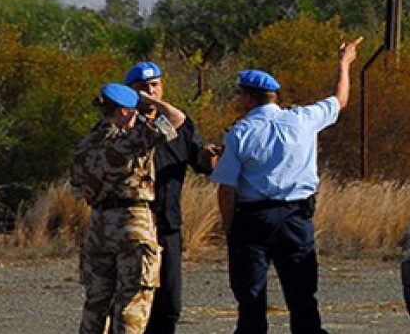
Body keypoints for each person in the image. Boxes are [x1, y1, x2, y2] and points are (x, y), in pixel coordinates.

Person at [211, 37, 363, 334]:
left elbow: (227, 188)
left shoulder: (240, 133)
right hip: (296, 217)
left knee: (251, 296)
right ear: (273, 96)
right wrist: (344, 63)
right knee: (302, 294)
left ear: (249, 98)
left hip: (253, 219)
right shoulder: (303, 119)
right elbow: (339, 100)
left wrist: (229, 228)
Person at [71, 82, 186, 334]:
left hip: (98, 225)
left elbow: (77, 189)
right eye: (133, 112)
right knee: (133, 301)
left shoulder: (85, 145)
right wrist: (149, 100)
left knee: (96, 303)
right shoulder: (130, 140)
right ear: (123, 111)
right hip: (133, 222)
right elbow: (177, 118)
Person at [122, 61, 221, 334]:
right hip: (134, 225)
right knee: (133, 301)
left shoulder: (178, 127)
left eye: (155, 85)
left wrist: (209, 155)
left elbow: (202, 163)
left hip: (168, 225)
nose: (150, 91)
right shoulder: (124, 127)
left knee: (169, 304)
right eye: (143, 87)